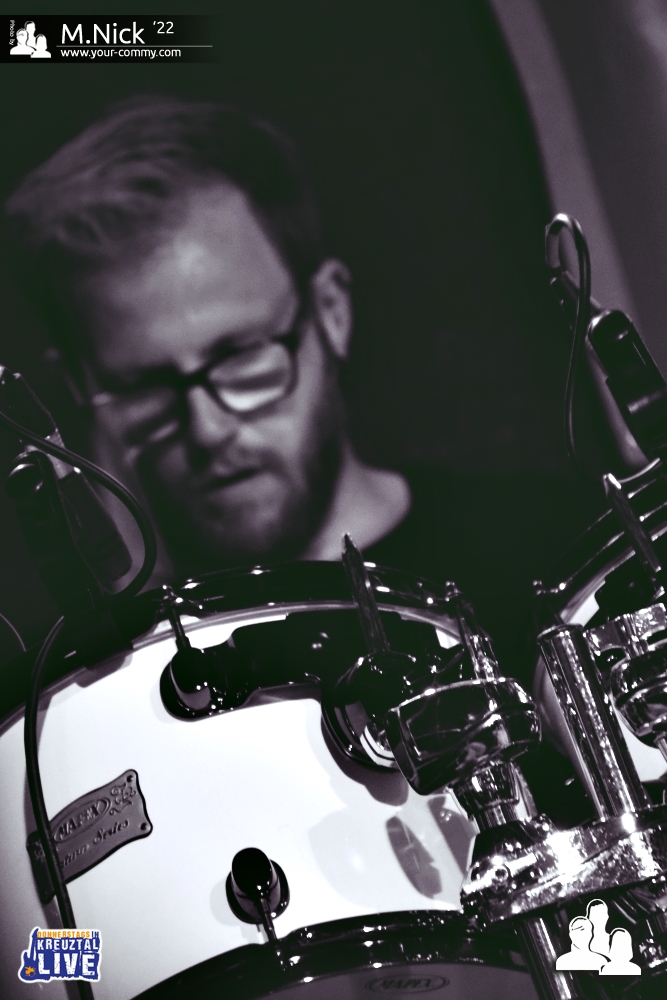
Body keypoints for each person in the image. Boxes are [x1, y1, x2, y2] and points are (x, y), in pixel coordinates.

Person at [4, 96, 598, 674]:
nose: (207, 429)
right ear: (80, 387)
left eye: (240, 355)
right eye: (144, 384)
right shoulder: (88, 688)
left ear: (331, 312)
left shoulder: (562, 556)